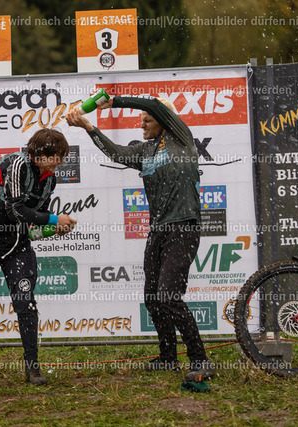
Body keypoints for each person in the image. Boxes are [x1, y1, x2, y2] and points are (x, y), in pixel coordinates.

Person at [66, 96, 215, 382]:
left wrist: (115, 102)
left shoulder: (181, 137)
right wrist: (89, 128)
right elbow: (116, 154)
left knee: (169, 295)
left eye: (147, 120)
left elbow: (155, 106)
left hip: (183, 227)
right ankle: (168, 357)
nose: (142, 124)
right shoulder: (145, 150)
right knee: (153, 297)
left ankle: (200, 360)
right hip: (158, 230)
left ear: (164, 121)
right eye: (142, 120)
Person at [0, 128, 77, 385]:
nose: (61, 161)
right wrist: (54, 219)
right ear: (39, 154)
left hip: (18, 245)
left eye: (63, 156)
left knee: (25, 303)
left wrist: (53, 229)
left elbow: (32, 223)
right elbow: (16, 210)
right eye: (57, 156)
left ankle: (32, 367)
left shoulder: (50, 180)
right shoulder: (17, 165)